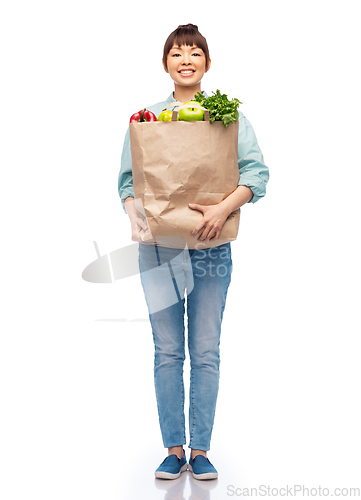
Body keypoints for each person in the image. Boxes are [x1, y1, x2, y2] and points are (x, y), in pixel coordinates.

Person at [118, 24, 269, 480]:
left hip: (211, 245)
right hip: (159, 249)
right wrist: (134, 213)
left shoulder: (229, 116)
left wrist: (222, 209)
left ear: (207, 63)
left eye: (194, 52)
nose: (186, 59)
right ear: (166, 63)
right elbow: (128, 182)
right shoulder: (145, 120)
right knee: (168, 351)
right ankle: (174, 448)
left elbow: (256, 174)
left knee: (205, 350)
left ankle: (201, 450)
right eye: (177, 52)